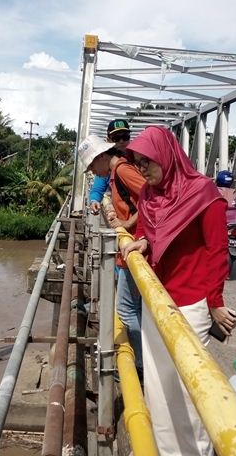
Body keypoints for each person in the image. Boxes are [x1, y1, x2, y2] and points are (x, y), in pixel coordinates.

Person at [120, 126, 236, 456]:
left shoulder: (203, 193)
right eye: (138, 163)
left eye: (148, 161)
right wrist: (141, 240)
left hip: (191, 304)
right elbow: (145, 231)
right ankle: (165, 449)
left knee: (188, 387)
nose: (143, 169)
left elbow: (217, 252)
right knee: (158, 384)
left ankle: (196, 451)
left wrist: (215, 302)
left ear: (166, 155)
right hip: (156, 299)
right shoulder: (148, 194)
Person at [78, 137, 146, 374]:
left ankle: (138, 365)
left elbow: (152, 199)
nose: (94, 172)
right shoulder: (116, 173)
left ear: (101, 157)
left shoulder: (123, 171)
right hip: (132, 245)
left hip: (135, 248)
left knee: (127, 309)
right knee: (135, 308)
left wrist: (127, 223)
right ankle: (142, 360)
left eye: (92, 167)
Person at [89, 119, 132, 214]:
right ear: (108, 139)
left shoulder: (137, 159)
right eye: (116, 138)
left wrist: (128, 223)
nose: (121, 141)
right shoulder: (107, 164)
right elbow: (98, 188)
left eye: (125, 137)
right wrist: (94, 200)